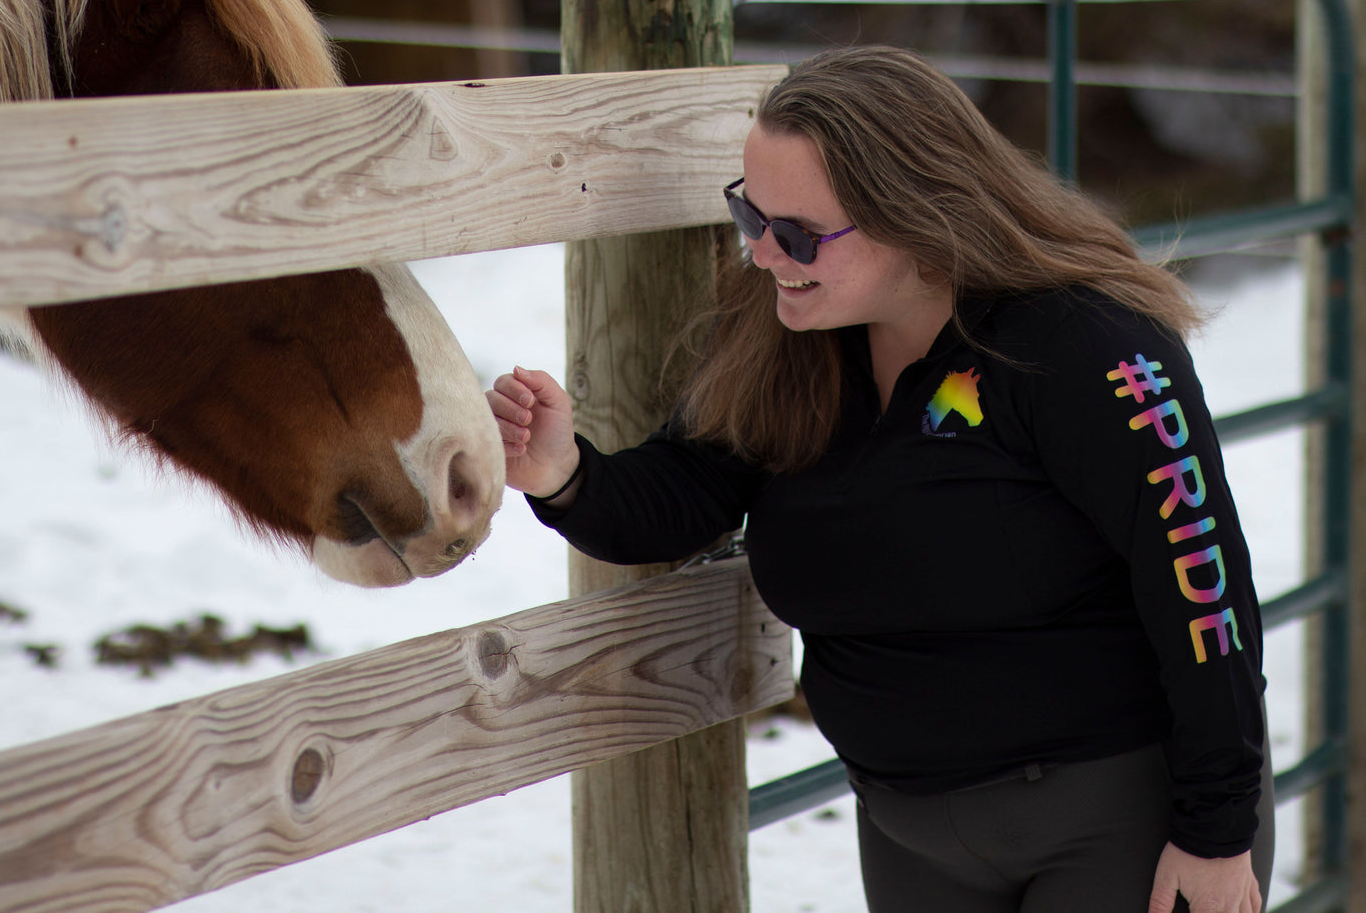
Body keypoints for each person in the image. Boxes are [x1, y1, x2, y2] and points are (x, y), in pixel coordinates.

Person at [488, 45, 1272, 913]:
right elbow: (686, 490)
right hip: (909, 832)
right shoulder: (788, 331)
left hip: (1115, 815)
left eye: (797, 233)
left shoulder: (1083, 346)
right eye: (749, 215)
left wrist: (1216, 828)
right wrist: (563, 474)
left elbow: (1201, 589)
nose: (761, 254)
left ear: (914, 212)